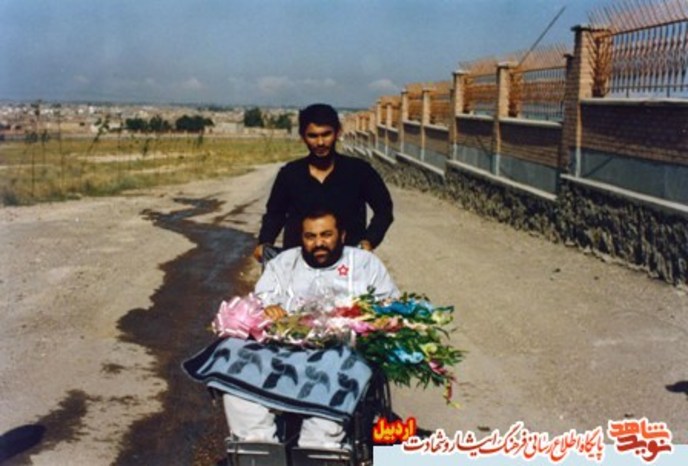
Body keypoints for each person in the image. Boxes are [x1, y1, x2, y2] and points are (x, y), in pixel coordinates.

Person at [224, 208, 399, 449]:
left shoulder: (365, 264)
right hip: (284, 353)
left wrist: (372, 319)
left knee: (336, 383)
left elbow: (390, 307)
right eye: (310, 236)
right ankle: (257, 446)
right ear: (302, 238)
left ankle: (316, 448)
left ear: (342, 235)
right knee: (237, 373)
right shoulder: (283, 264)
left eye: (326, 235)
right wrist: (268, 310)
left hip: (342, 355)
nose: (318, 243)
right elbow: (260, 301)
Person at [253, 103, 394, 262]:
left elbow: (384, 210)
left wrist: (370, 240)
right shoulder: (290, 174)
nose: (320, 142)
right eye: (312, 136)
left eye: (326, 134)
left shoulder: (360, 171)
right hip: (299, 263)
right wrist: (264, 242)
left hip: (349, 262)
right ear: (302, 136)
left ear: (338, 132)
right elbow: (275, 214)